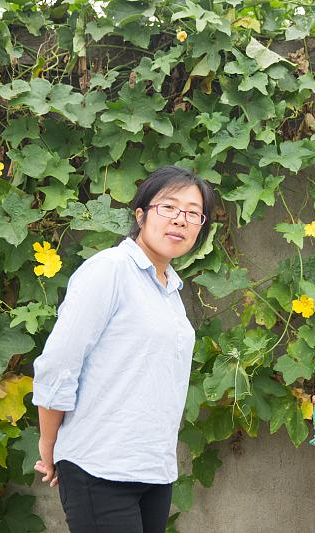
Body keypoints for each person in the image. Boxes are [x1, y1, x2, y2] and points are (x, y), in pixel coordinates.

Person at [32, 166, 215, 533]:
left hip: (153, 470)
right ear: (140, 215)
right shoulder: (109, 271)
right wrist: (50, 444)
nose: (180, 220)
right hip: (100, 465)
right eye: (168, 207)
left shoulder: (170, 291)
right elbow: (59, 364)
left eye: (192, 213)